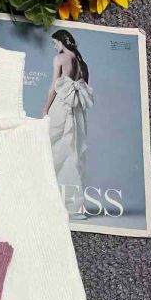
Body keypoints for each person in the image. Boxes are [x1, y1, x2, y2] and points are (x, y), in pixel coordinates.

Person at [43, 29, 94, 218]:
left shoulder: (60, 59)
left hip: (61, 106)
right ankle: (72, 205)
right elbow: (83, 88)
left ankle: (50, 201)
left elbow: (53, 87)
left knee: (51, 148)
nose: (54, 46)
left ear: (62, 41)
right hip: (77, 110)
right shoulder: (82, 62)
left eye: (55, 43)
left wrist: (45, 109)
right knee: (73, 153)